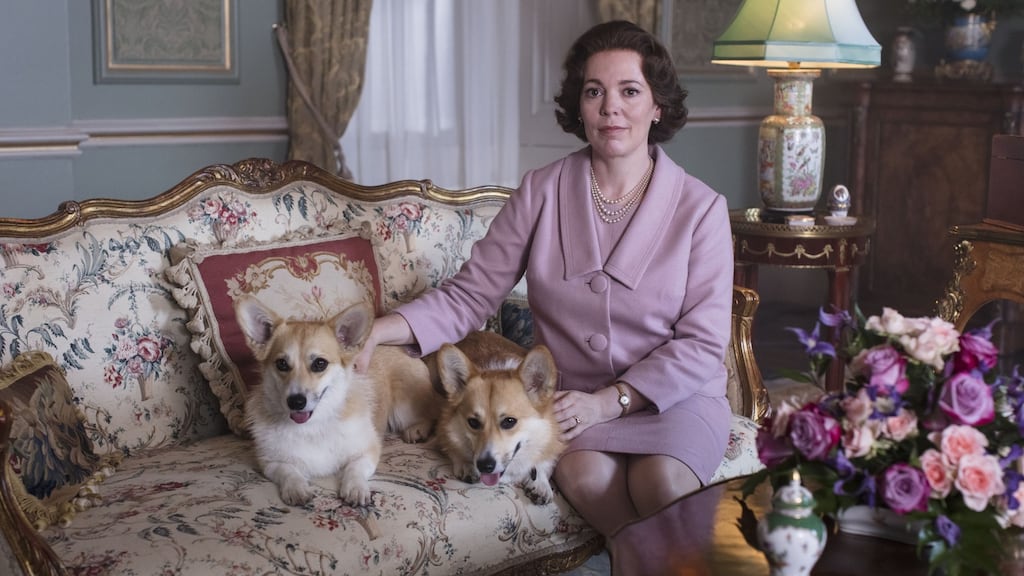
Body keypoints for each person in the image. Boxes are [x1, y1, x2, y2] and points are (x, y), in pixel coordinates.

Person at [354, 19, 733, 539]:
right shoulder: (541, 191)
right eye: (594, 91)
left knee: (661, 483)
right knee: (584, 474)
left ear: (657, 105)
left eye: (629, 91)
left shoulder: (702, 209)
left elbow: (703, 344)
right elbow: (471, 295)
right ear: (579, 106)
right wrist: (379, 330)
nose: (610, 107)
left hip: (676, 399)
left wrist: (613, 400)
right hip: (575, 402)